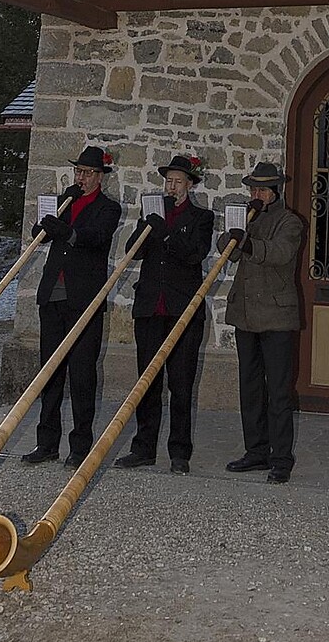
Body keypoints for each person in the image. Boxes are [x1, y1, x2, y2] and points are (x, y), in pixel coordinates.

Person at [21, 144, 125, 468]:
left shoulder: (109, 208)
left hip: (85, 300)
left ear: (100, 178)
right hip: (53, 296)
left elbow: (91, 238)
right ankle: (46, 442)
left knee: (82, 376)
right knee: (50, 373)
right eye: (78, 172)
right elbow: (41, 234)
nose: (81, 178)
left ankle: (80, 446)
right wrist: (46, 221)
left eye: (87, 173)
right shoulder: (67, 201)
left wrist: (65, 229)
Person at [116, 153, 214, 474]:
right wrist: (148, 226)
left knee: (181, 383)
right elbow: (134, 251)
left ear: (189, 184)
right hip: (150, 308)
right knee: (147, 382)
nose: (170, 186)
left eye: (177, 181)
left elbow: (194, 255)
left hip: (182, 311)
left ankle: (179, 452)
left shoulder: (202, 217)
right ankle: (143, 448)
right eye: (167, 181)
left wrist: (168, 235)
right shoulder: (153, 212)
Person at [222, 160, 305, 485]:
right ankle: (255, 450)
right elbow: (227, 250)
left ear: (274, 192)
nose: (255, 194)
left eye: (261, 189)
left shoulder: (290, 222)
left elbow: (280, 253)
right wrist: (230, 237)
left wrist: (248, 243)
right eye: (252, 189)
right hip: (245, 315)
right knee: (250, 387)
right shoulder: (247, 218)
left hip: (276, 318)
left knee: (279, 392)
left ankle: (281, 458)